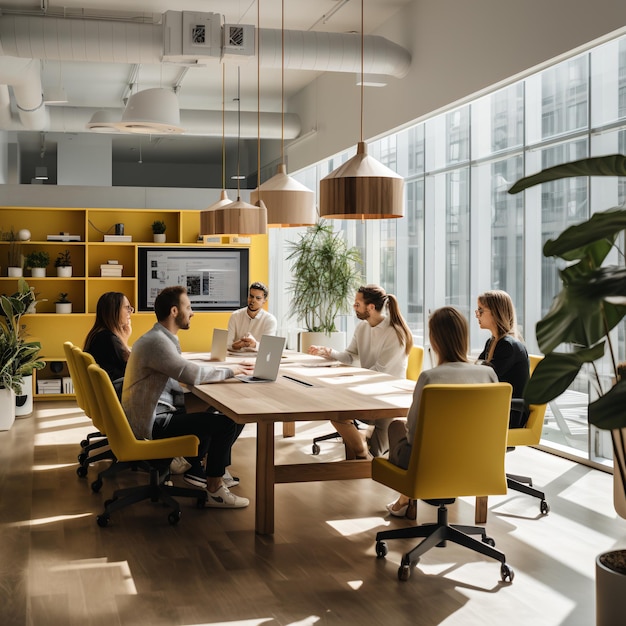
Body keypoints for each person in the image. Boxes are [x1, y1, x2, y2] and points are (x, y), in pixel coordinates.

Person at [122, 285, 254, 509]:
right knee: (227, 421)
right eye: (189, 306)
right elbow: (191, 375)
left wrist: (226, 368)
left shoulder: (159, 338)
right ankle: (214, 489)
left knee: (214, 412)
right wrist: (233, 370)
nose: (192, 312)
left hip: (149, 414)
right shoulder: (158, 342)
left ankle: (194, 464)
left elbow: (182, 370)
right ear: (174, 311)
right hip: (151, 423)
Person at [385, 306, 499, 517]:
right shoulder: (488, 374)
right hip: (477, 462)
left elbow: (414, 434)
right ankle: (404, 500)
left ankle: (405, 498)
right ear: (464, 337)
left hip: (429, 466)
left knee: (395, 427)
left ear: (435, 340)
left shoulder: (430, 377)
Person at [308, 284, 413, 458]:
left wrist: (348, 378)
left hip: (387, 398)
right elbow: (350, 355)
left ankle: (362, 446)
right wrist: (328, 352)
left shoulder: (395, 333)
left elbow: (379, 372)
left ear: (370, 307)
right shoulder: (362, 327)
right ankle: (360, 449)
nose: (354, 307)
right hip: (366, 391)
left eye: (357, 304)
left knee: (377, 453)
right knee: (335, 411)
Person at [475, 289, 530, 428]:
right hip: (500, 408)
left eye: (481, 310)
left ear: (495, 313)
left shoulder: (507, 346)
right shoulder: (493, 342)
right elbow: (478, 370)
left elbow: (483, 376)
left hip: (510, 414)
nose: (477, 315)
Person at [84, 291, 133, 392]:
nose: (130, 311)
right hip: (116, 391)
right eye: (127, 307)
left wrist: (123, 338)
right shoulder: (109, 339)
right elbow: (130, 368)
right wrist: (124, 340)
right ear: (114, 311)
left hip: (105, 392)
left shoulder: (99, 334)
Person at [227, 281, 277, 352]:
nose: (253, 300)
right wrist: (236, 346)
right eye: (251, 296)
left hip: (257, 360)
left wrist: (255, 344)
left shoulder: (270, 320)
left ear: (264, 301)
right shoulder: (235, 316)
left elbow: (268, 348)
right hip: (236, 358)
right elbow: (227, 345)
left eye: (258, 298)